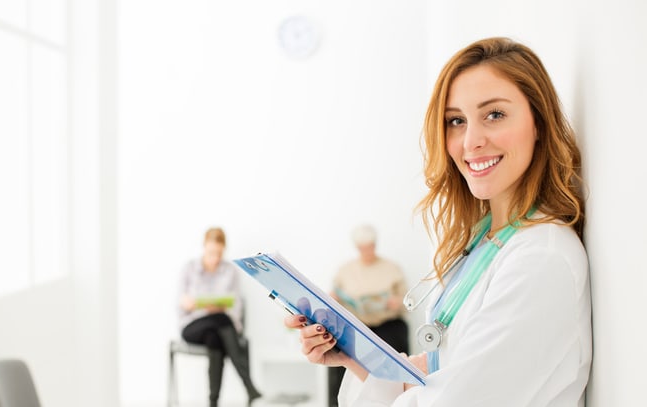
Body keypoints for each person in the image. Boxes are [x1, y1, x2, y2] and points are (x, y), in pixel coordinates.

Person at [284, 37, 591, 406]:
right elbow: (443, 374)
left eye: (494, 114)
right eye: (456, 121)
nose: (470, 141)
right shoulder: (488, 240)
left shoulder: (540, 258)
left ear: (538, 122)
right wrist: (354, 350)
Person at [177, 227, 262, 407]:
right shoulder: (189, 269)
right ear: (204, 247)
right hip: (192, 326)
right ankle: (248, 384)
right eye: (211, 252)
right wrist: (193, 304)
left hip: (219, 331)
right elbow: (182, 304)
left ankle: (213, 402)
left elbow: (235, 307)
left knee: (215, 337)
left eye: (219, 253)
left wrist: (217, 309)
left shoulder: (230, 272)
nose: (215, 258)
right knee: (221, 319)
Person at [328, 224, 410, 407]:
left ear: (375, 244)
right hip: (356, 325)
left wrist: (396, 302)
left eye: (370, 246)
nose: (366, 251)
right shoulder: (346, 270)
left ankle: (399, 401)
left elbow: (408, 301)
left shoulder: (391, 268)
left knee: (392, 350)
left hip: (386, 324)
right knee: (337, 348)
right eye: (362, 248)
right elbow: (335, 296)